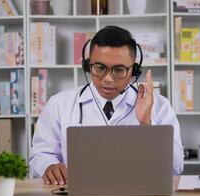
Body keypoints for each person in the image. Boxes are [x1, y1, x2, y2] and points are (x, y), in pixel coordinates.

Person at [30, 25, 184, 185]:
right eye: (100, 68)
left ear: (134, 71)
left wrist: (147, 124)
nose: (108, 78)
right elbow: (40, 155)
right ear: (88, 66)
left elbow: (176, 168)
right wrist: (49, 166)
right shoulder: (59, 104)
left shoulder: (160, 106)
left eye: (119, 70)